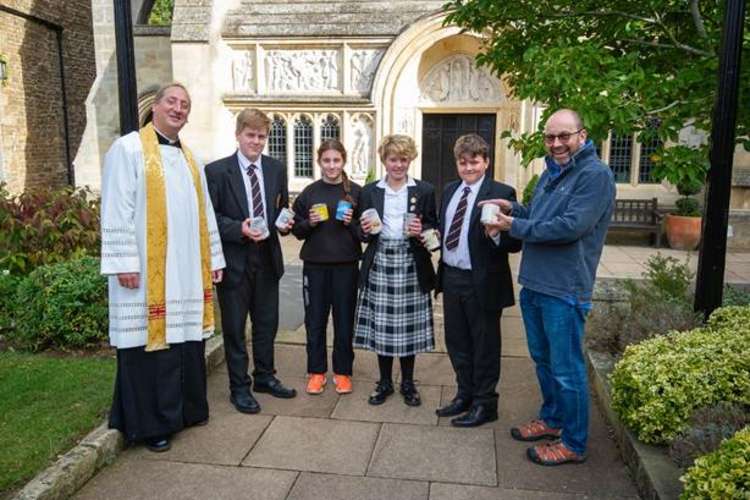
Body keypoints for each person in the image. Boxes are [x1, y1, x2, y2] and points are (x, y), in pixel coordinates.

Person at [483, 108, 616, 465]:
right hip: (536, 284)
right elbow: (541, 217)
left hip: (565, 289)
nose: (556, 143)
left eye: (564, 136)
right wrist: (513, 208)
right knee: (544, 361)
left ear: (582, 136)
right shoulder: (551, 173)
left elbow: (569, 226)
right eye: (550, 136)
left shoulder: (594, 175)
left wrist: (513, 226)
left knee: (567, 368)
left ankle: (573, 443)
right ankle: (554, 420)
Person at [100, 82, 225, 452]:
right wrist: (124, 260)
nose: (179, 108)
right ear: (154, 107)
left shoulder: (191, 158)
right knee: (150, 346)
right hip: (144, 275)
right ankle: (151, 423)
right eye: (172, 101)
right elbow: (116, 208)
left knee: (183, 340)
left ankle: (185, 411)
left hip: (185, 273)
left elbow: (206, 215)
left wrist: (213, 259)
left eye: (185, 104)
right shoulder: (128, 149)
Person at [205, 108, 297, 415]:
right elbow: (210, 218)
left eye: (261, 136)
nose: (256, 142)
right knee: (234, 328)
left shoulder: (275, 168)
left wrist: (284, 223)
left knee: (266, 324)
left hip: (267, 258)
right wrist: (238, 229)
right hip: (235, 261)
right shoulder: (217, 172)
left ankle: (265, 377)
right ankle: (239, 388)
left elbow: (281, 207)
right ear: (238, 135)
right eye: (251, 135)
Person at [434, 134, 521, 427]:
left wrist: (498, 234)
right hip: (452, 277)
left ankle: (486, 403)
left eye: (474, 161)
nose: (468, 167)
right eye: (463, 162)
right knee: (456, 341)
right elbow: (445, 228)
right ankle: (465, 394)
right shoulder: (449, 190)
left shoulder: (502, 192)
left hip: (482, 281)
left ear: (485, 162)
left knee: (484, 345)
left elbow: (515, 242)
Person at [354, 134, 437, 407]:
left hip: (411, 262)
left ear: (410, 159)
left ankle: (408, 383)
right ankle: (385, 381)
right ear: (384, 160)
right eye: (393, 159)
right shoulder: (370, 191)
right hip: (380, 261)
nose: (398, 165)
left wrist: (423, 230)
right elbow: (360, 229)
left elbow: (433, 226)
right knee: (383, 327)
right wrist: (363, 231)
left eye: (403, 159)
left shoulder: (424, 190)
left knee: (408, 329)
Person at [291, 140, 362, 395]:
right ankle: (317, 371)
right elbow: (295, 231)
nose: (331, 166)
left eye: (336, 160)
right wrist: (308, 223)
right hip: (315, 266)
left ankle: (342, 372)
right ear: (319, 162)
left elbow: (365, 234)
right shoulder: (309, 192)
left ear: (344, 161)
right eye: (326, 161)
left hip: (346, 266)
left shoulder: (356, 192)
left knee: (344, 321)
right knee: (315, 320)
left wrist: (351, 223)